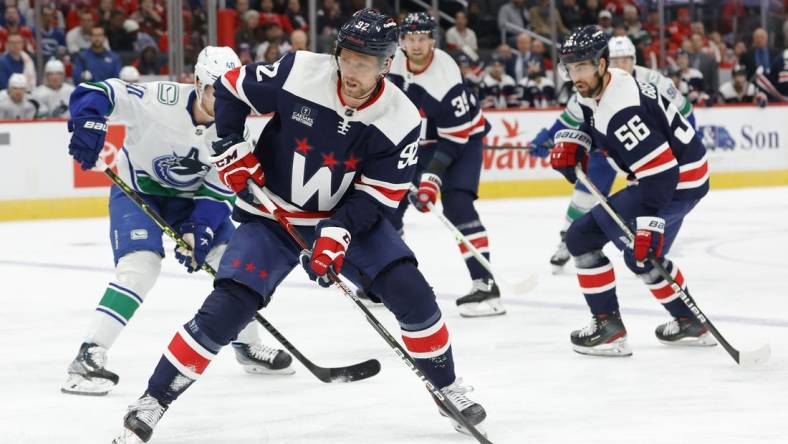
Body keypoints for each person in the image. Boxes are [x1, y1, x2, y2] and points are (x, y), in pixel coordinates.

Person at [111, 10, 487, 443]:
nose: (352, 71)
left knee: (412, 293)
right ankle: (153, 400)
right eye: (347, 58)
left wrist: (338, 231)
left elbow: (380, 197)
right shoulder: (298, 71)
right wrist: (230, 144)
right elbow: (231, 93)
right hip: (272, 215)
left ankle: (446, 387)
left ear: (387, 64)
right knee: (226, 309)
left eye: (366, 63)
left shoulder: (401, 117)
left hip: (345, 219)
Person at [61, 46, 293, 397]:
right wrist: (90, 121)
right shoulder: (160, 99)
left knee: (234, 262)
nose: (228, 102)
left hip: (189, 202)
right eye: (219, 91)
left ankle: (246, 345)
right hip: (139, 193)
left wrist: (199, 230)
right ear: (198, 84)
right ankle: (88, 354)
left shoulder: (235, 133)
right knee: (141, 267)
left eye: (234, 93)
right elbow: (97, 92)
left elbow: (217, 192)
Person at [549, 25, 714, 356]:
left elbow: (661, 172)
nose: (575, 75)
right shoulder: (608, 83)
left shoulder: (623, 111)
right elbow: (584, 116)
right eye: (570, 68)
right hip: (677, 175)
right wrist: (572, 141)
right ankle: (688, 321)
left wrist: (650, 223)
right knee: (638, 257)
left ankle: (608, 329)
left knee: (583, 238)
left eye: (582, 66)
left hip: (675, 182)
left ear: (601, 63)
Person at [528, 35, 696, 272]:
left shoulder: (654, 80)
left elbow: (686, 113)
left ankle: (657, 248)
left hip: (647, 150)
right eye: (616, 59)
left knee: (660, 198)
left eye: (626, 59)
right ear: (604, 62)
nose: (621, 64)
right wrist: (547, 137)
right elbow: (569, 121)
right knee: (585, 195)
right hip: (611, 149)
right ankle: (566, 242)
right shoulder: (592, 83)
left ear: (634, 60)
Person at [387, 12, 503, 317]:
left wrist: (432, 178)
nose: (415, 45)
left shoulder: (445, 75)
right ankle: (384, 280)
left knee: (458, 206)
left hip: (461, 142)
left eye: (422, 38)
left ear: (433, 41)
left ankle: (485, 283)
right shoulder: (392, 62)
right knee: (387, 205)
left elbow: (454, 139)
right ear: (402, 41)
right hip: (417, 141)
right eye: (410, 39)